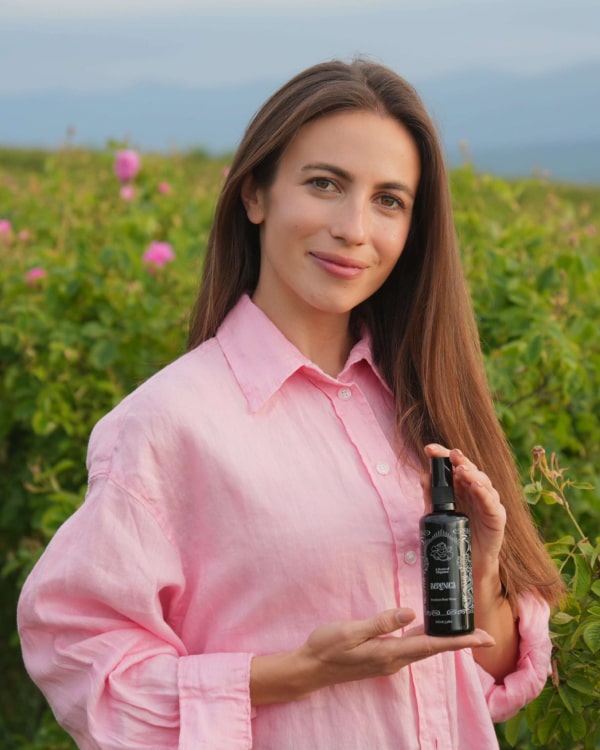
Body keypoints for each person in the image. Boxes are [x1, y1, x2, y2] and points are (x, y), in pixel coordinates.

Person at [18, 58, 564, 750]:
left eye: (389, 200)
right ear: (255, 194)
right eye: (325, 184)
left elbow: (482, 684)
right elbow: (79, 662)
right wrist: (292, 674)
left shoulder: (426, 402)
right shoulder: (167, 425)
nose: (353, 229)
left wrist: (480, 572)